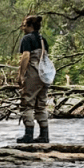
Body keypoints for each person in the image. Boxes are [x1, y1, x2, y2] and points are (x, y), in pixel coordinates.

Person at [16, 15, 50, 144]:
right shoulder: (43, 40)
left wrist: (20, 74)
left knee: (27, 103)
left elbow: (26, 56)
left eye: (24, 25)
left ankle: (28, 135)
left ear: (30, 26)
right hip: (45, 75)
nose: (22, 27)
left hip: (33, 75)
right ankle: (44, 135)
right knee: (41, 105)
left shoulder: (27, 39)